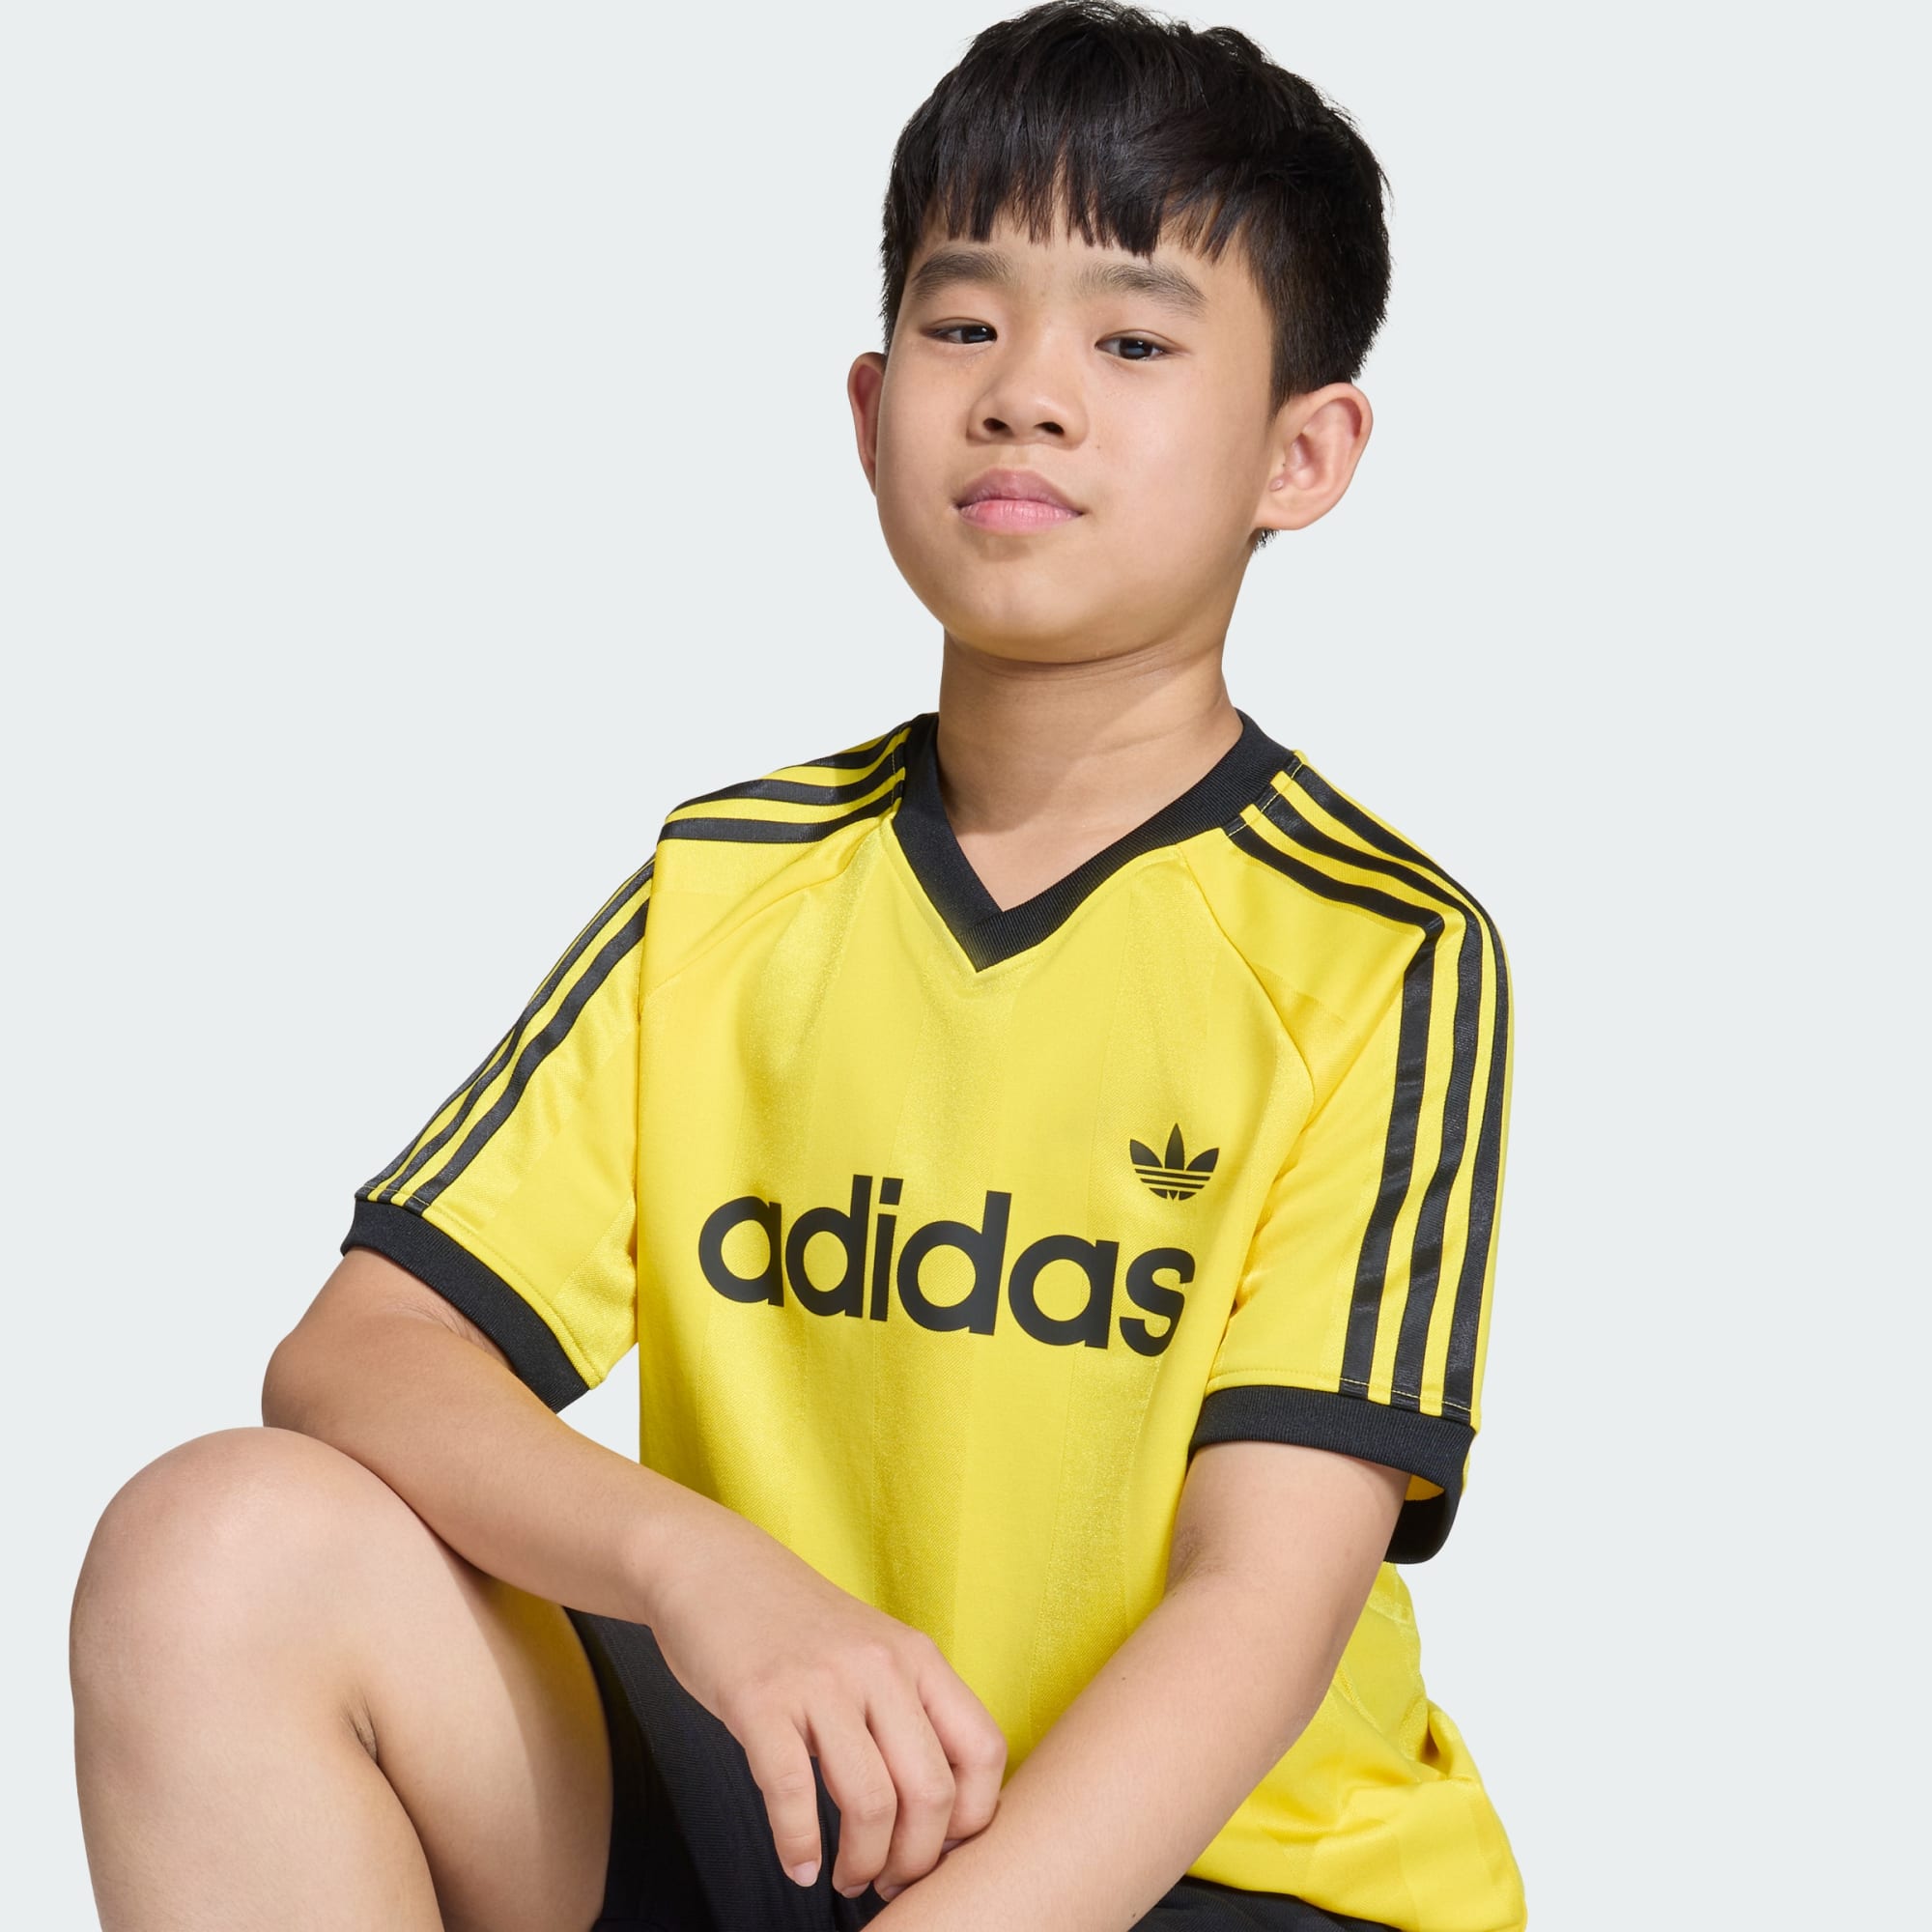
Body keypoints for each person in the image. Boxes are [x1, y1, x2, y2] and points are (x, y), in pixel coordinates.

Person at [69, 4, 1523, 1928]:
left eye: (1132, 341)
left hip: (1199, 1872)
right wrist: (709, 1579)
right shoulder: (732, 888)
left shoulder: (1373, 949)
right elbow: (359, 1356)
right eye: (963, 322)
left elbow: (1258, 1601)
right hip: (796, 1805)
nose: (1025, 394)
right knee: (214, 1551)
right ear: (869, 408)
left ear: (1302, 452)